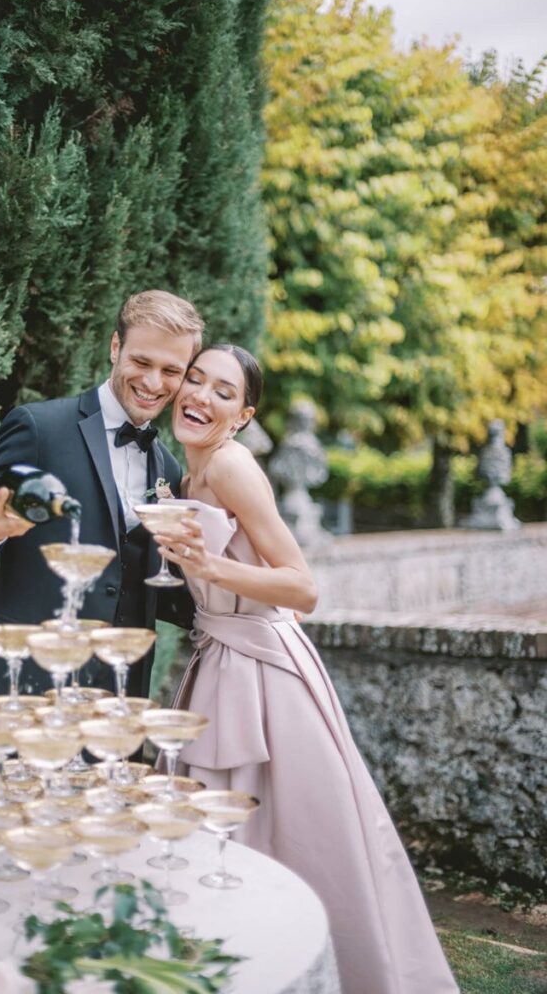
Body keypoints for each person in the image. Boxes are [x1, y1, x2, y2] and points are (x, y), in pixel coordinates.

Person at [152, 344, 459, 994]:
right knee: (217, 829)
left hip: (264, 674)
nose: (200, 396)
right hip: (217, 661)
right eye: (195, 379)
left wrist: (209, 567)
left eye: (223, 391)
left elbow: (302, 586)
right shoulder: (188, 475)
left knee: (295, 836)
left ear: (243, 415)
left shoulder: (232, 467)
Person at [0, 290, 203, 701]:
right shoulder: (40, 428)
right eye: (141, 361)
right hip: (28, 690)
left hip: (120, 703)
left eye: (172, 370)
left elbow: (155, 592)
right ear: (115, 347)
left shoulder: (167, 467)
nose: (153, 383)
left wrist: (247, 601)